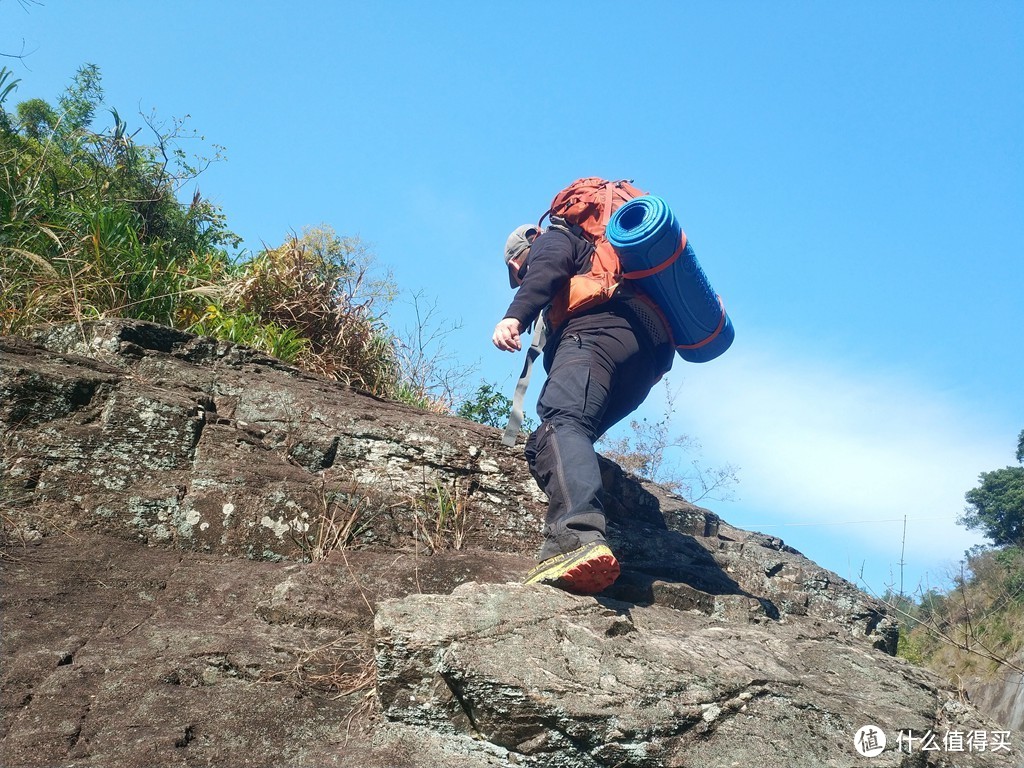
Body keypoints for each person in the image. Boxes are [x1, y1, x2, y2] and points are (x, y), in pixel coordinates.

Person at [493, 218, 674, 594]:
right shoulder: (611, 262)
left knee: (560, 424)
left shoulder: (555, 238)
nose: (519, 272)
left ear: (518, 255)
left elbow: (548, 267)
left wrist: (515, 316)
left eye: (517, 268)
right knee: (563, 437)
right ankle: (588, 529)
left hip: (596, 336)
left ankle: (576, 537)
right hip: (644, 360)